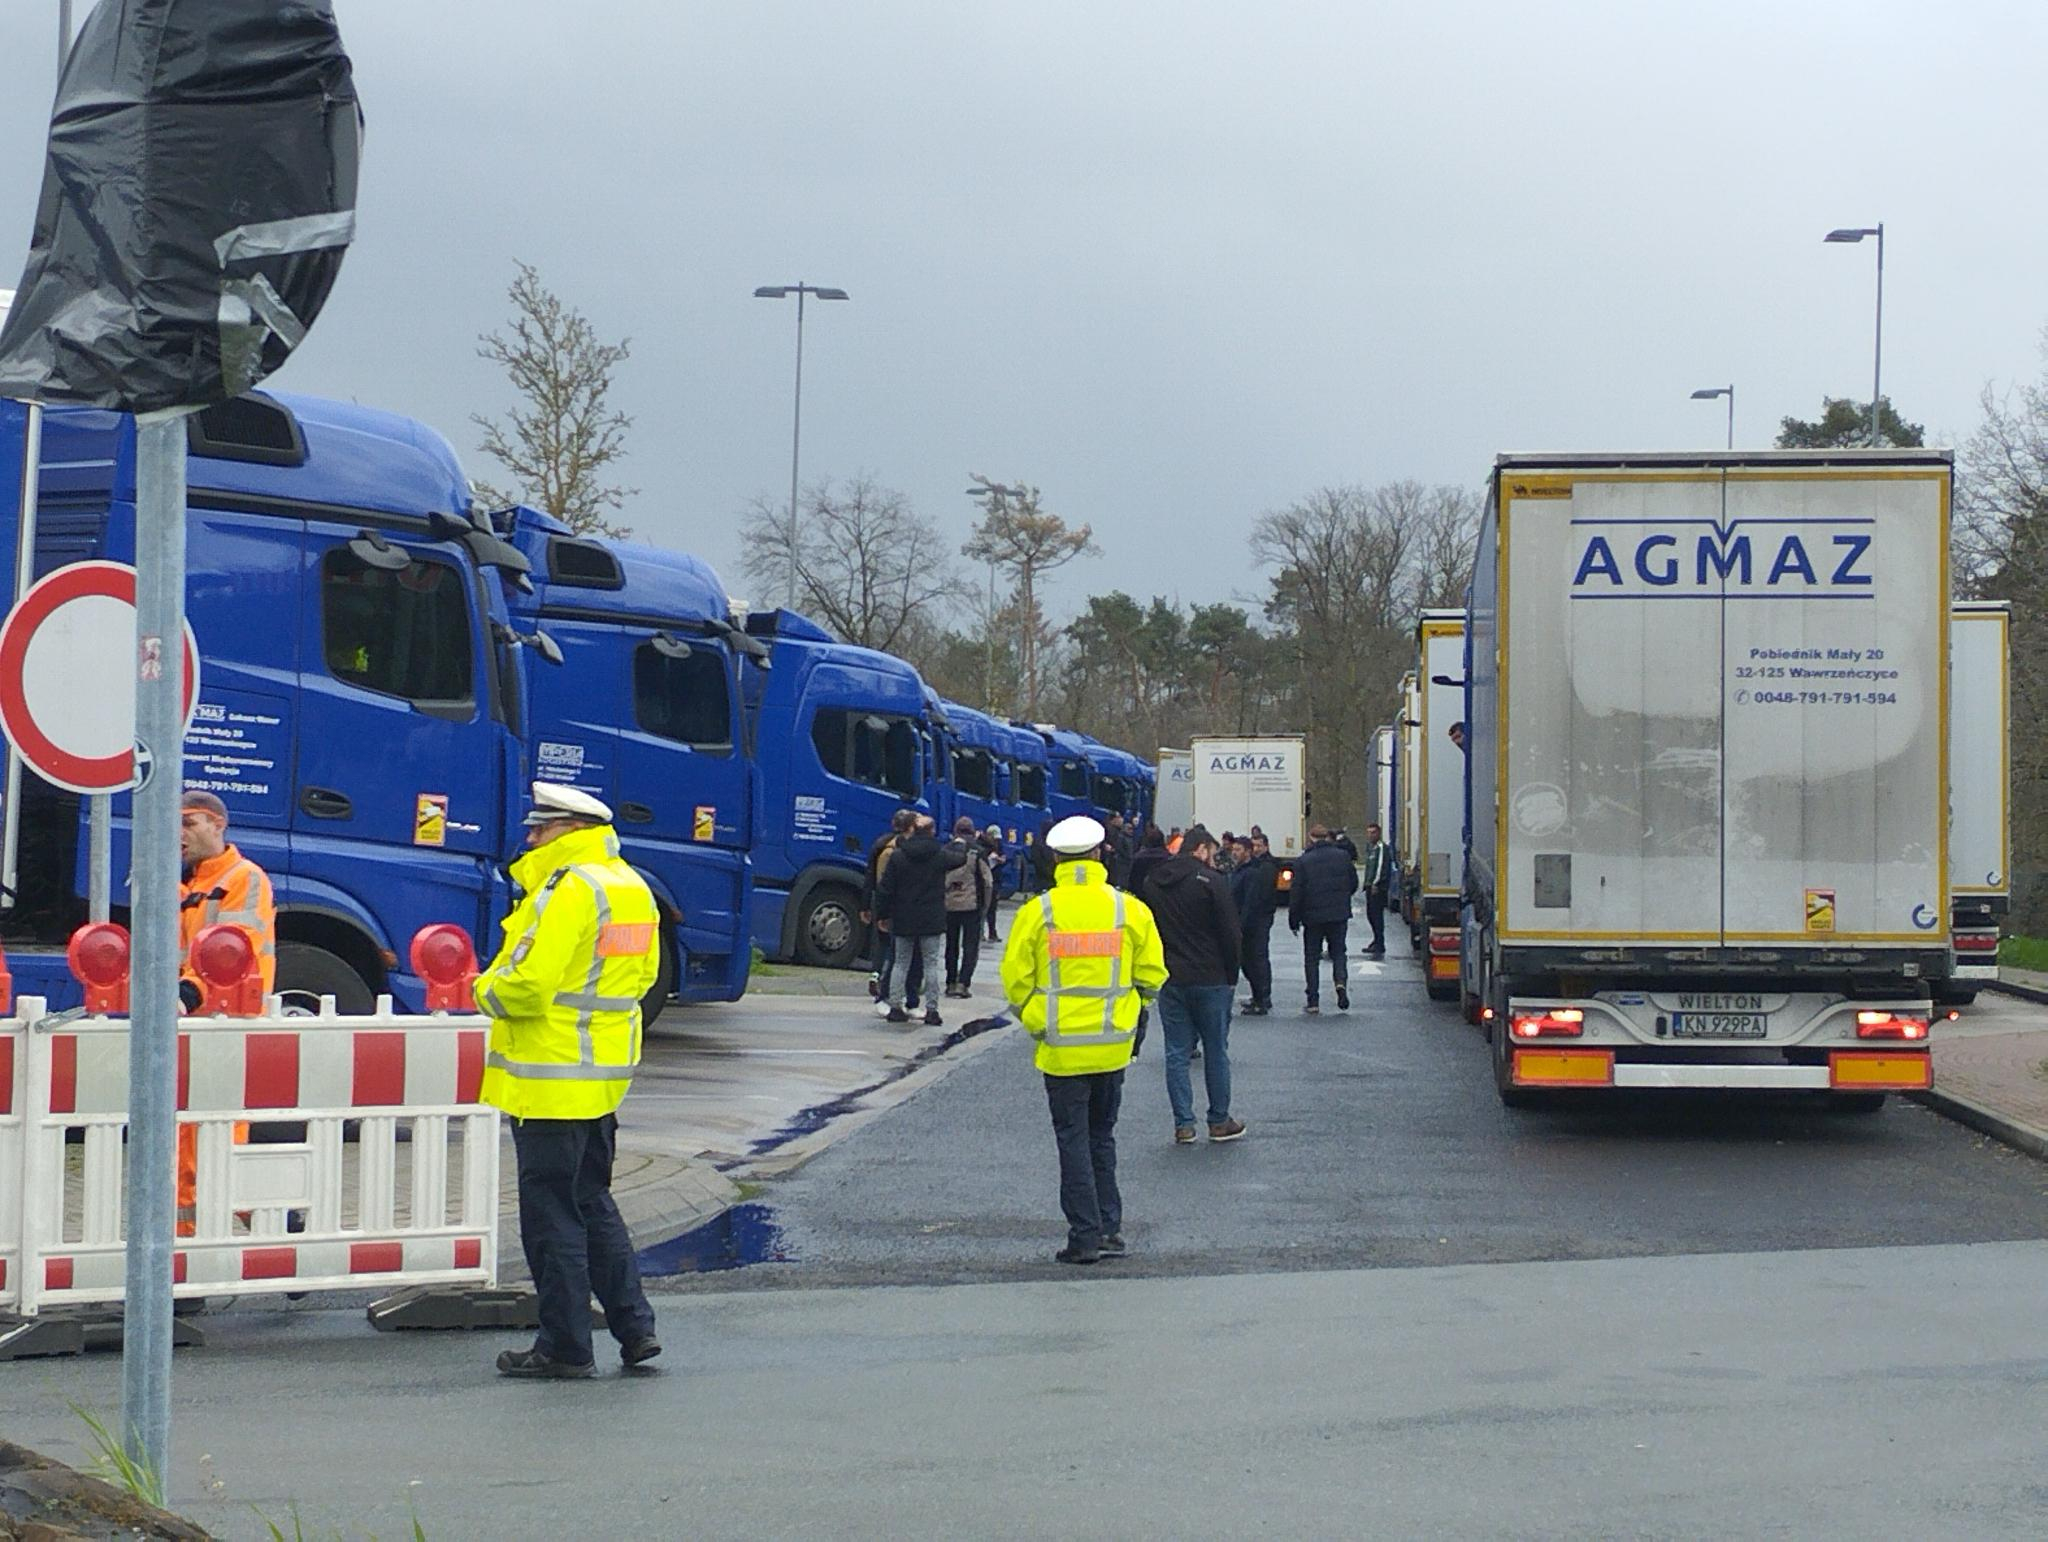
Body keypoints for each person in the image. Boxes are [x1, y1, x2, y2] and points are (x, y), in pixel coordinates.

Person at [478, 782, 662, 1379]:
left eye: (540, 828)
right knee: (592, 1201)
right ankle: (635, 1330)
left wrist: (484, 990)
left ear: (568, 830)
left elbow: (527, 986)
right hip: (602, 1078)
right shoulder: (632, 886)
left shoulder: (567, 890)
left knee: (551, 1216)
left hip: (550, 1076)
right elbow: (645, 979)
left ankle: (564, 1346)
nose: (530, 837)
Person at [1000, 814, 1166, 1264]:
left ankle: (1084, 1236)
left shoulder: (1039, 912)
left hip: (1060, 1049)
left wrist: (1039, 1020)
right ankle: (1109, 1228)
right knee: (1102, 1136)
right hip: (1113, 1044)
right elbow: (1152, 977)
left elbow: (1016, 981)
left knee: (1072, 1139)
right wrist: (1130, 1013)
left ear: (1056, 859)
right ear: (1099, 855)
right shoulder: (1128, 909)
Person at [175, 790, 276, 1236]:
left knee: (213, 1141)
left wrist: (187, 993)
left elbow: (232, 951)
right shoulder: (187, 886)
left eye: (190, 822)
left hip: (227, 1024)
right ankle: (265, 1227)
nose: (180, 832)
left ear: (218, 825)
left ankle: (213, 1241)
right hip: (196, 1026)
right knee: (188, 1140)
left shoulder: (244, 877)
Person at [1140, 823, 1245, 1144]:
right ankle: (1218, 1120)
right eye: (1212, 853)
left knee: (1176, 1053)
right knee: (1215, 1050)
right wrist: (1231, 975)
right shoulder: (1212, 882)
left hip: (1171, 976)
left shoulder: (1153, 882)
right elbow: (1230, 933)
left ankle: (1184, 1123)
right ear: (1200, 850)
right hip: (1210, 976)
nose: (1214, 860)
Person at [875, 813, 967, 1024]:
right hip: (931, 918)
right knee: (931, 964)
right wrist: (960, 844)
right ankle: (932, 1010)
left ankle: (895, 1007)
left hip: (903, 917)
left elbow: (886, 889)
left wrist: (883, 914)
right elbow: (959, 859)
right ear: (932, 831)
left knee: (900, 963)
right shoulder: (939, 855)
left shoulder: (899, 856)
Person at [1289, 823, 1360, 1015]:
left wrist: (1293, 920)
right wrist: (1341, 897)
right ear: (1327, 837)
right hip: (1338, 914)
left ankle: (1313, 1000)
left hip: (1312, 917)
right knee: (1338, 953)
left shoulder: (1304, 861)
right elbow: (1354, 883)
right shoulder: (1342, 857)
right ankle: (1340, 984)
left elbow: (1297, 892)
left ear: (1311, 837)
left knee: (1312, 958)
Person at [864, 809, 923, 1016]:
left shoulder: (880, 844)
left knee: (885, 947)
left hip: (883, 902)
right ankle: (894, 993)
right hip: (898, 907)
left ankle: (877, 977)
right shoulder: (902, 850)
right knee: (900, 953)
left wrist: (868, 906)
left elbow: (870, 876)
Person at [942, 816, 995, 998]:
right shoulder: (977, 852)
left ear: (956, 831)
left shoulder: (945, 850)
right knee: (970, 946)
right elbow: (987, 882)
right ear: (972, 832)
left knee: (951, 945)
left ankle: (950, 982)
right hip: (972, 906)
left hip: (948, 905)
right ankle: (963, 983)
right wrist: (985, 907)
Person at [1231, 832, 1280, 1015]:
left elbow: (1250, 902)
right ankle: (1258, 996)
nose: (1234, 853)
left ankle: (1262, 998)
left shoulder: (1252, 872)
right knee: (1247, 961)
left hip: (1253, 924)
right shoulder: (1239, 870)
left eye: (1238, 849)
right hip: (1245, 923)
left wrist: (1241, 926)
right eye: (1233, 849)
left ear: (1248, 852)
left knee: (1255, 960)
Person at [1358, 821, 1394, 956]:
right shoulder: (1370, 848)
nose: (1370, 835)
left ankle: (1380, 943)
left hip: (1377, 888)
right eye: (1368, 832)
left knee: (1377, 916)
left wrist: (1375, 883)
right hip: (1369, 886)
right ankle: (1376, 939)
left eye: (1373, 832)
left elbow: (1380, 867)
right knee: (1371, 915)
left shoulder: (1381, 848)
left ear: (1378, 833)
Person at [1127, 825, 1170, 898]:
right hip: (1162, 898)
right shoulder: (1169, 858)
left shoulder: (1139, 858)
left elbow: (1132, 881)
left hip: (1141, 896)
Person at [980, 823, 1006, 942]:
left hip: (995, 879)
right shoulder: (982, 845)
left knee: (992, 908)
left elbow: (1003, 857)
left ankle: (992, 932)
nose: (996, 841)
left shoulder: (999, 846)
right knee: (983, 907)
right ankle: (980, 933)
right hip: (985, 880)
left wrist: (1001, 860)